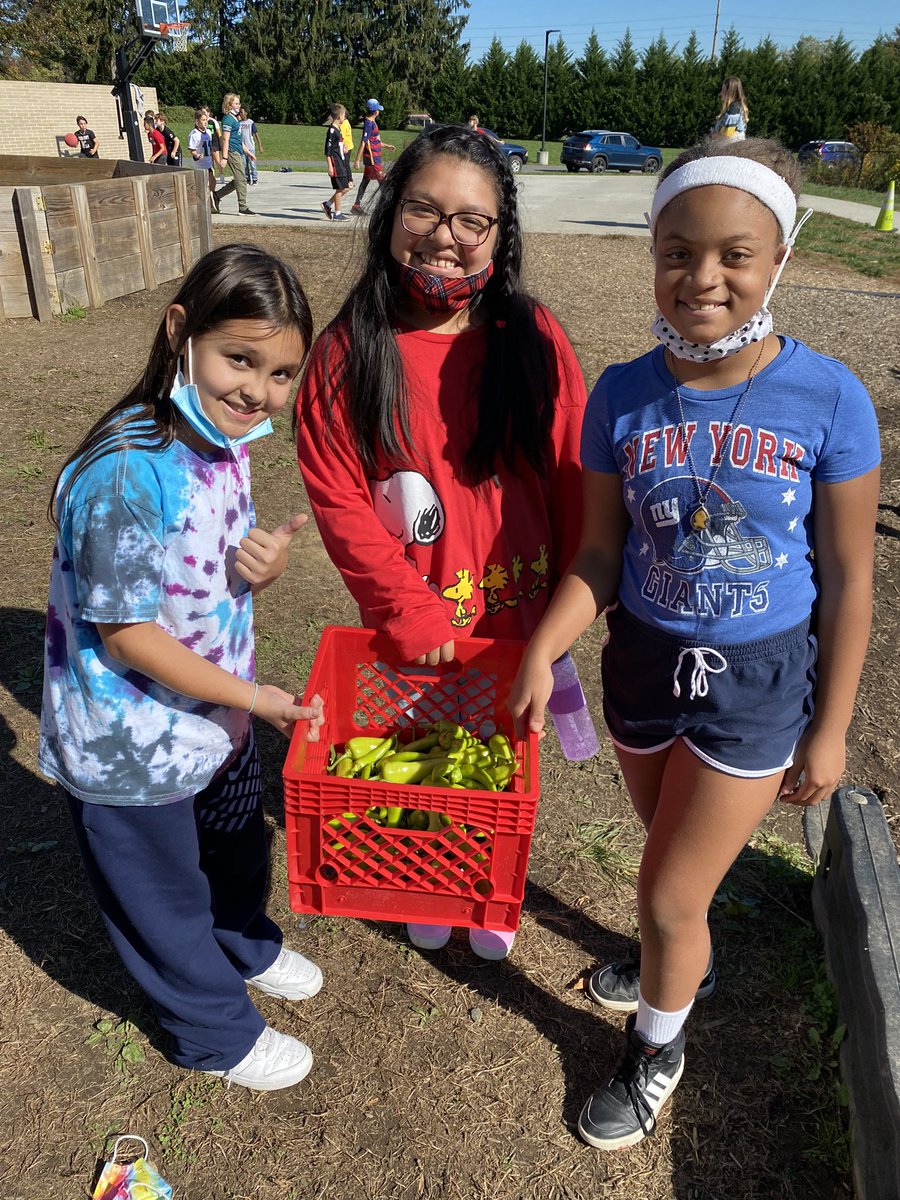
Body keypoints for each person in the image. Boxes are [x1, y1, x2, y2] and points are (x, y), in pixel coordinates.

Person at [509, 136, 880, 1150]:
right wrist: (546, 647)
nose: (702, 277)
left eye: (734, 254)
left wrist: (833, 727)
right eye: (678, 251)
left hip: (757, 685)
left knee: (668, 892)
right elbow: (595, 552)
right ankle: (687, 954)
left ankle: (658, 1044)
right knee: (674, 873)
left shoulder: (832, 399)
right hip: (641, 668)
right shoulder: (621, 395)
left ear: (780, 257)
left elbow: (849, 577)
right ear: (654, 253)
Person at [40, 244, 327, 1093]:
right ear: (181, 334)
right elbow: (127, 633)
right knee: (160, 895)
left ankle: (240, 941)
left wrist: (253, 567)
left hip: (209, 717)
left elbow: (191, 568)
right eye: (240, 359)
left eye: (280, 373)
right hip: (132, 740)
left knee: (234, 845)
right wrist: (251, 696)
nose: (259, 391)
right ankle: (212, 1031)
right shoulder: (127, 472)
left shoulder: (219, 439)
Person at [297, 124, 588, 959]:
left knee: (503, 766)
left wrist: (573, 597)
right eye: (424, 209)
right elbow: (342, 501)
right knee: (422, 757)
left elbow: (572, 472)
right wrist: (410, 614)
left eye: (473, 221)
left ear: (502, 234)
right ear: (390, 214)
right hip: (419, 627)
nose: (447, 237)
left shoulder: (532, 338)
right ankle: (429, 879)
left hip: (521, 619)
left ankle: (489, 891)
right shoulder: (348, 353)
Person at [351, 99, 395, 216]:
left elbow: (375, 141)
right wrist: (357, 160)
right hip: (372, 158)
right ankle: (388, 207)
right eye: (378, 110)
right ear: (375, 111)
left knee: (366, 180)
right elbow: (364, 142)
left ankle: (356, 206)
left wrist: (387, 146)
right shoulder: (369, 124)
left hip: (375, 156)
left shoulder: (372, 122)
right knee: (382, 181)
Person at [215, 93, 255, 216]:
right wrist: (225, 157)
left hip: (238, 150)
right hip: (231, 151)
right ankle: (242, 207)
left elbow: (238, 138)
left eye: (239, 103)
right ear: (229, 105)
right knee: (241, 179)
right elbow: (225, 139)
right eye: (236, 103)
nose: (239, 105)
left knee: (239, 178)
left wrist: (248, 152)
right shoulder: (228, 119)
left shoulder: (234, 119)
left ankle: (216, 196)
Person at [322, 103, 352, 221]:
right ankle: (338, 213)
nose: (345, 117)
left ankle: (328, 205)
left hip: (341, 161)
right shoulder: (332, 131)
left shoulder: (338, 130)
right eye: (344, 114)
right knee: (340, 188)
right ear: (339, 116)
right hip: (335, 163)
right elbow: (328, 151)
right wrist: (329, 166)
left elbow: (337, 146)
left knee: (345, 187)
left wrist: (343, 148)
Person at [188, 108, 219, 212]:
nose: (205, 122)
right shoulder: (194, 134)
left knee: (212, 180)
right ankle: (205, 203)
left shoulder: (209, 132)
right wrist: (197, 155)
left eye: (206, 120)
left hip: (208, 161)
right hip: (200, 164)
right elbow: (192, 150)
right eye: (203, 120)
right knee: (203, 184)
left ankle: (212, 197)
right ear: (197, 121)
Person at [239, 106, 262, 185]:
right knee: (244, 164)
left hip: (250, 147)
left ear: (246, 113)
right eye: (240, 112)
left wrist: (260, 146)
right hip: (243, 148)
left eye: (242, 112)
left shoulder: (250, 122)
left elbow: (256, 134)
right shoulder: (239, 123)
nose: (240, 114)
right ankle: (247, 178)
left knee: (252, 164)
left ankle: (255, 179)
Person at [338, 104, 354, 189]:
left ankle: (349, 180)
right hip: (348, 146)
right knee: (345, 164)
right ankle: (347, 180)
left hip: (346, 147)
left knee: (345, 164)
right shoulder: (346, 122)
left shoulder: (344, 124)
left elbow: (342, 137)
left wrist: (343, 146)